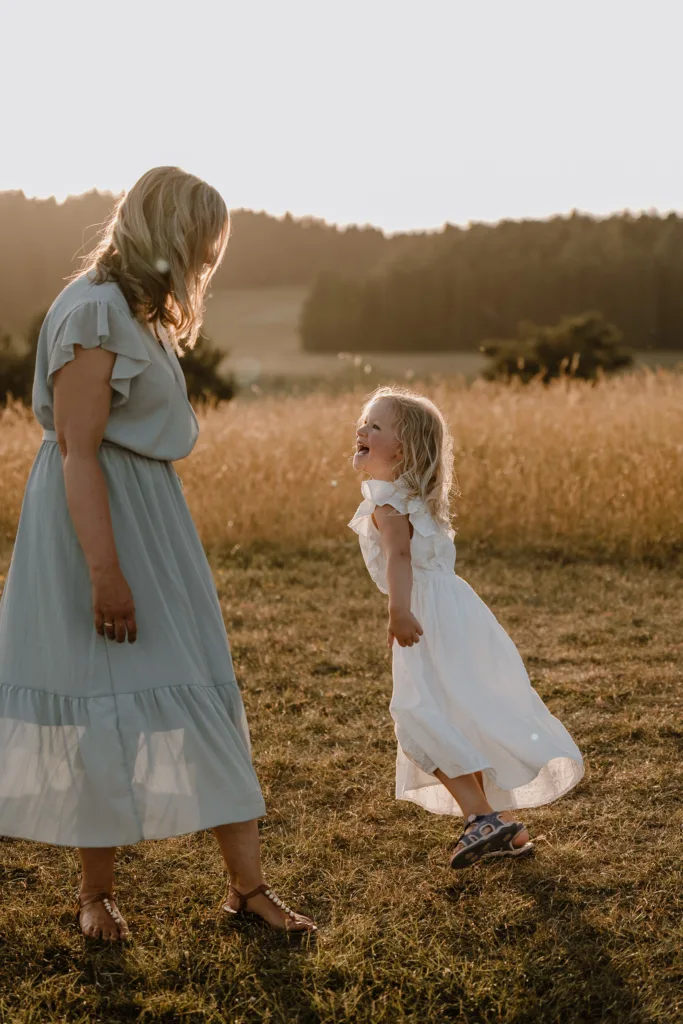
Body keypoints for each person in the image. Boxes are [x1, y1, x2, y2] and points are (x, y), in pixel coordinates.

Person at [0, 166, 316, 939]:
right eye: (203, 241)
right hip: (94, 528)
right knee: (95, 698)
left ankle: (248, 889)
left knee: (201, 685)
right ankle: (95, 895)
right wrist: (106, 575)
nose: (209, 257)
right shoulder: (96, 311)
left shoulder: (137, 313)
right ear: (170, 234)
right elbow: (78, 453)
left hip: (151, 517)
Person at [349, 385, 584, 868]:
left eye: (375, 426)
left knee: (418, 716)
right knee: (454, 713)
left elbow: (397, 557)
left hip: (425, 614)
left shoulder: (389, 504)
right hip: (458, 613)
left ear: (403, 449)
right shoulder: (416, 499)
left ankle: (480, 818)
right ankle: (497, 824)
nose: (361, 430)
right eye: (364, 421)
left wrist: (399, 610)